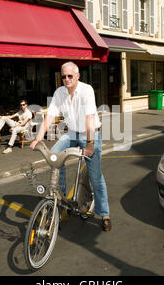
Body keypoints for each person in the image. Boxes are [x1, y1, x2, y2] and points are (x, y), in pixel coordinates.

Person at [30, 62, 111, 232]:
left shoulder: (86, 90)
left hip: (90, 133)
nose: (66, 79)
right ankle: (61, 202)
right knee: (54, 156)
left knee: (95, 177)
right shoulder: (59, 92)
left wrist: (89, 145)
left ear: (77, 76)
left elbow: (89, 118)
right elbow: (50, 116)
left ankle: (104, 214)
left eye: (70, 76)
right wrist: (38, 138)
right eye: (64, 76)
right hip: (73, 132)